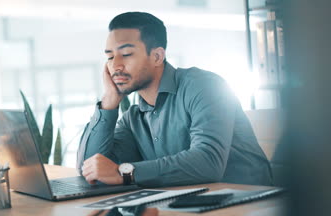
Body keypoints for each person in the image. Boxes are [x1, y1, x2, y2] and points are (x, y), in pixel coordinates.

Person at [77, 12, 273, 187]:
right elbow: (91, 170)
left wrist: (126, 173)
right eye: (110, 57)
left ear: (157, 56)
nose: (116, 65)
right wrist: (108, 103)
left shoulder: (205, 86)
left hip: (249, 204)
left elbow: (208, 162)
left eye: (126, 54)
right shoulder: (134, 118)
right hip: (187, 205)